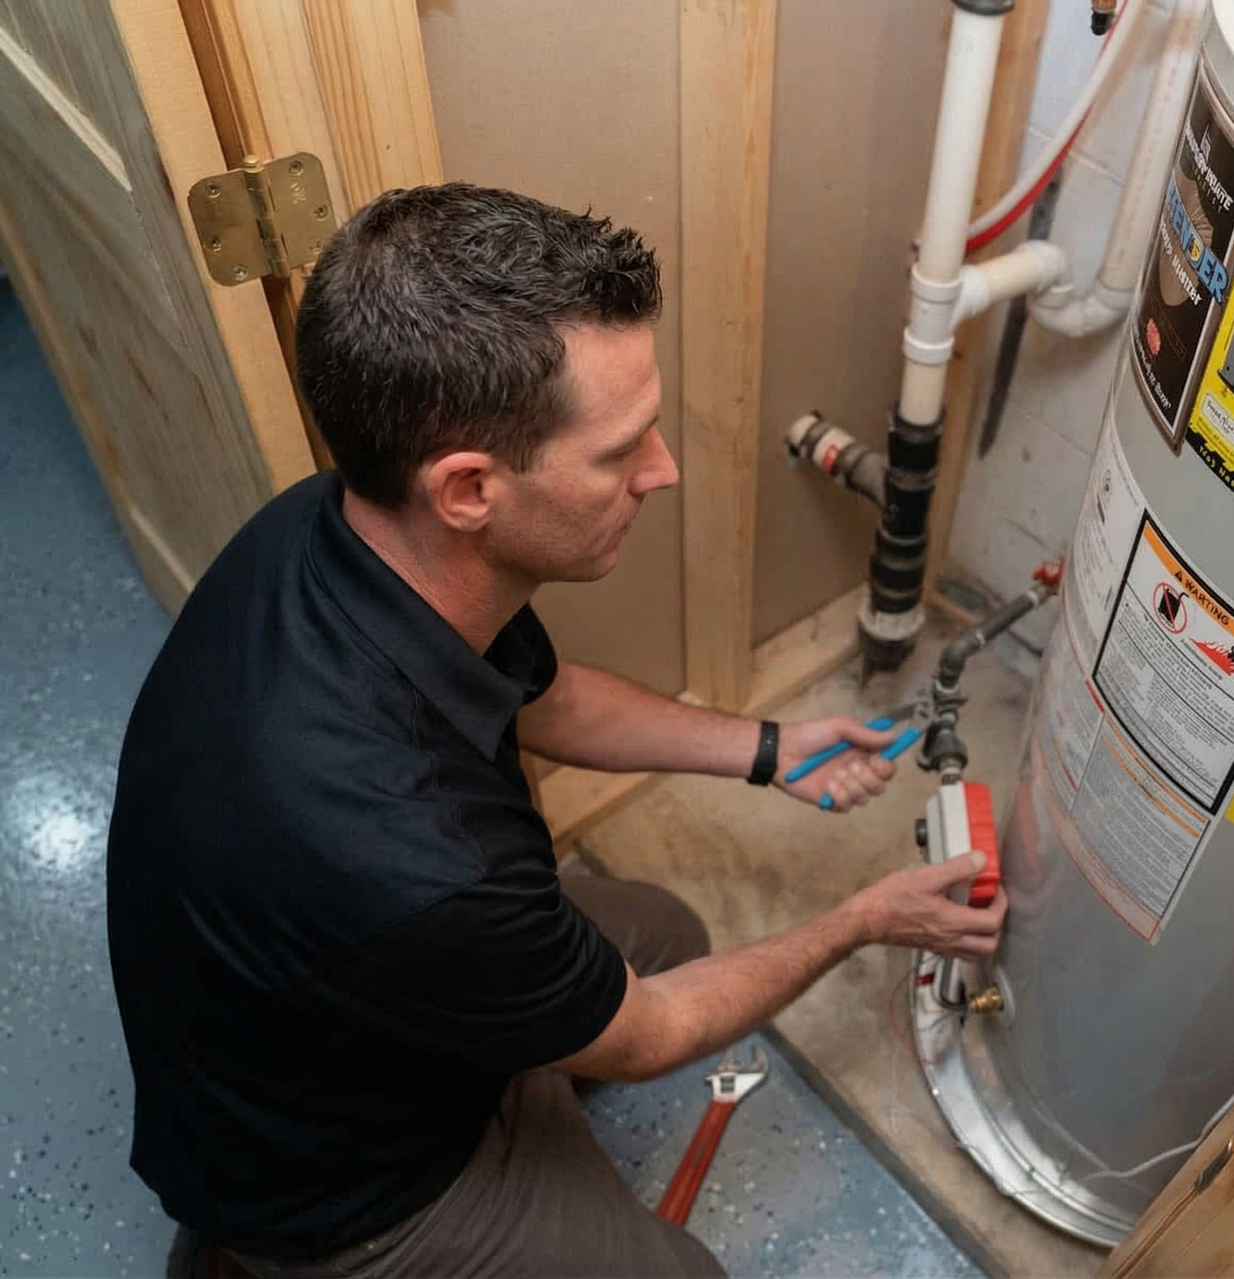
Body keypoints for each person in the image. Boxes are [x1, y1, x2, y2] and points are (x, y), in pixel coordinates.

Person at [106, 183, 1005, 1279]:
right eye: (621, 451)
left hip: (350, 985)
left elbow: (549, 697)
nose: (663, 470)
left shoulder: (335, 527)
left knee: (666, 931)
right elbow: (655, 1035)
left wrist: (770, 750)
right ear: (470, 488)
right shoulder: (415, 858)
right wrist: (863, 918)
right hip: (343, 1192)